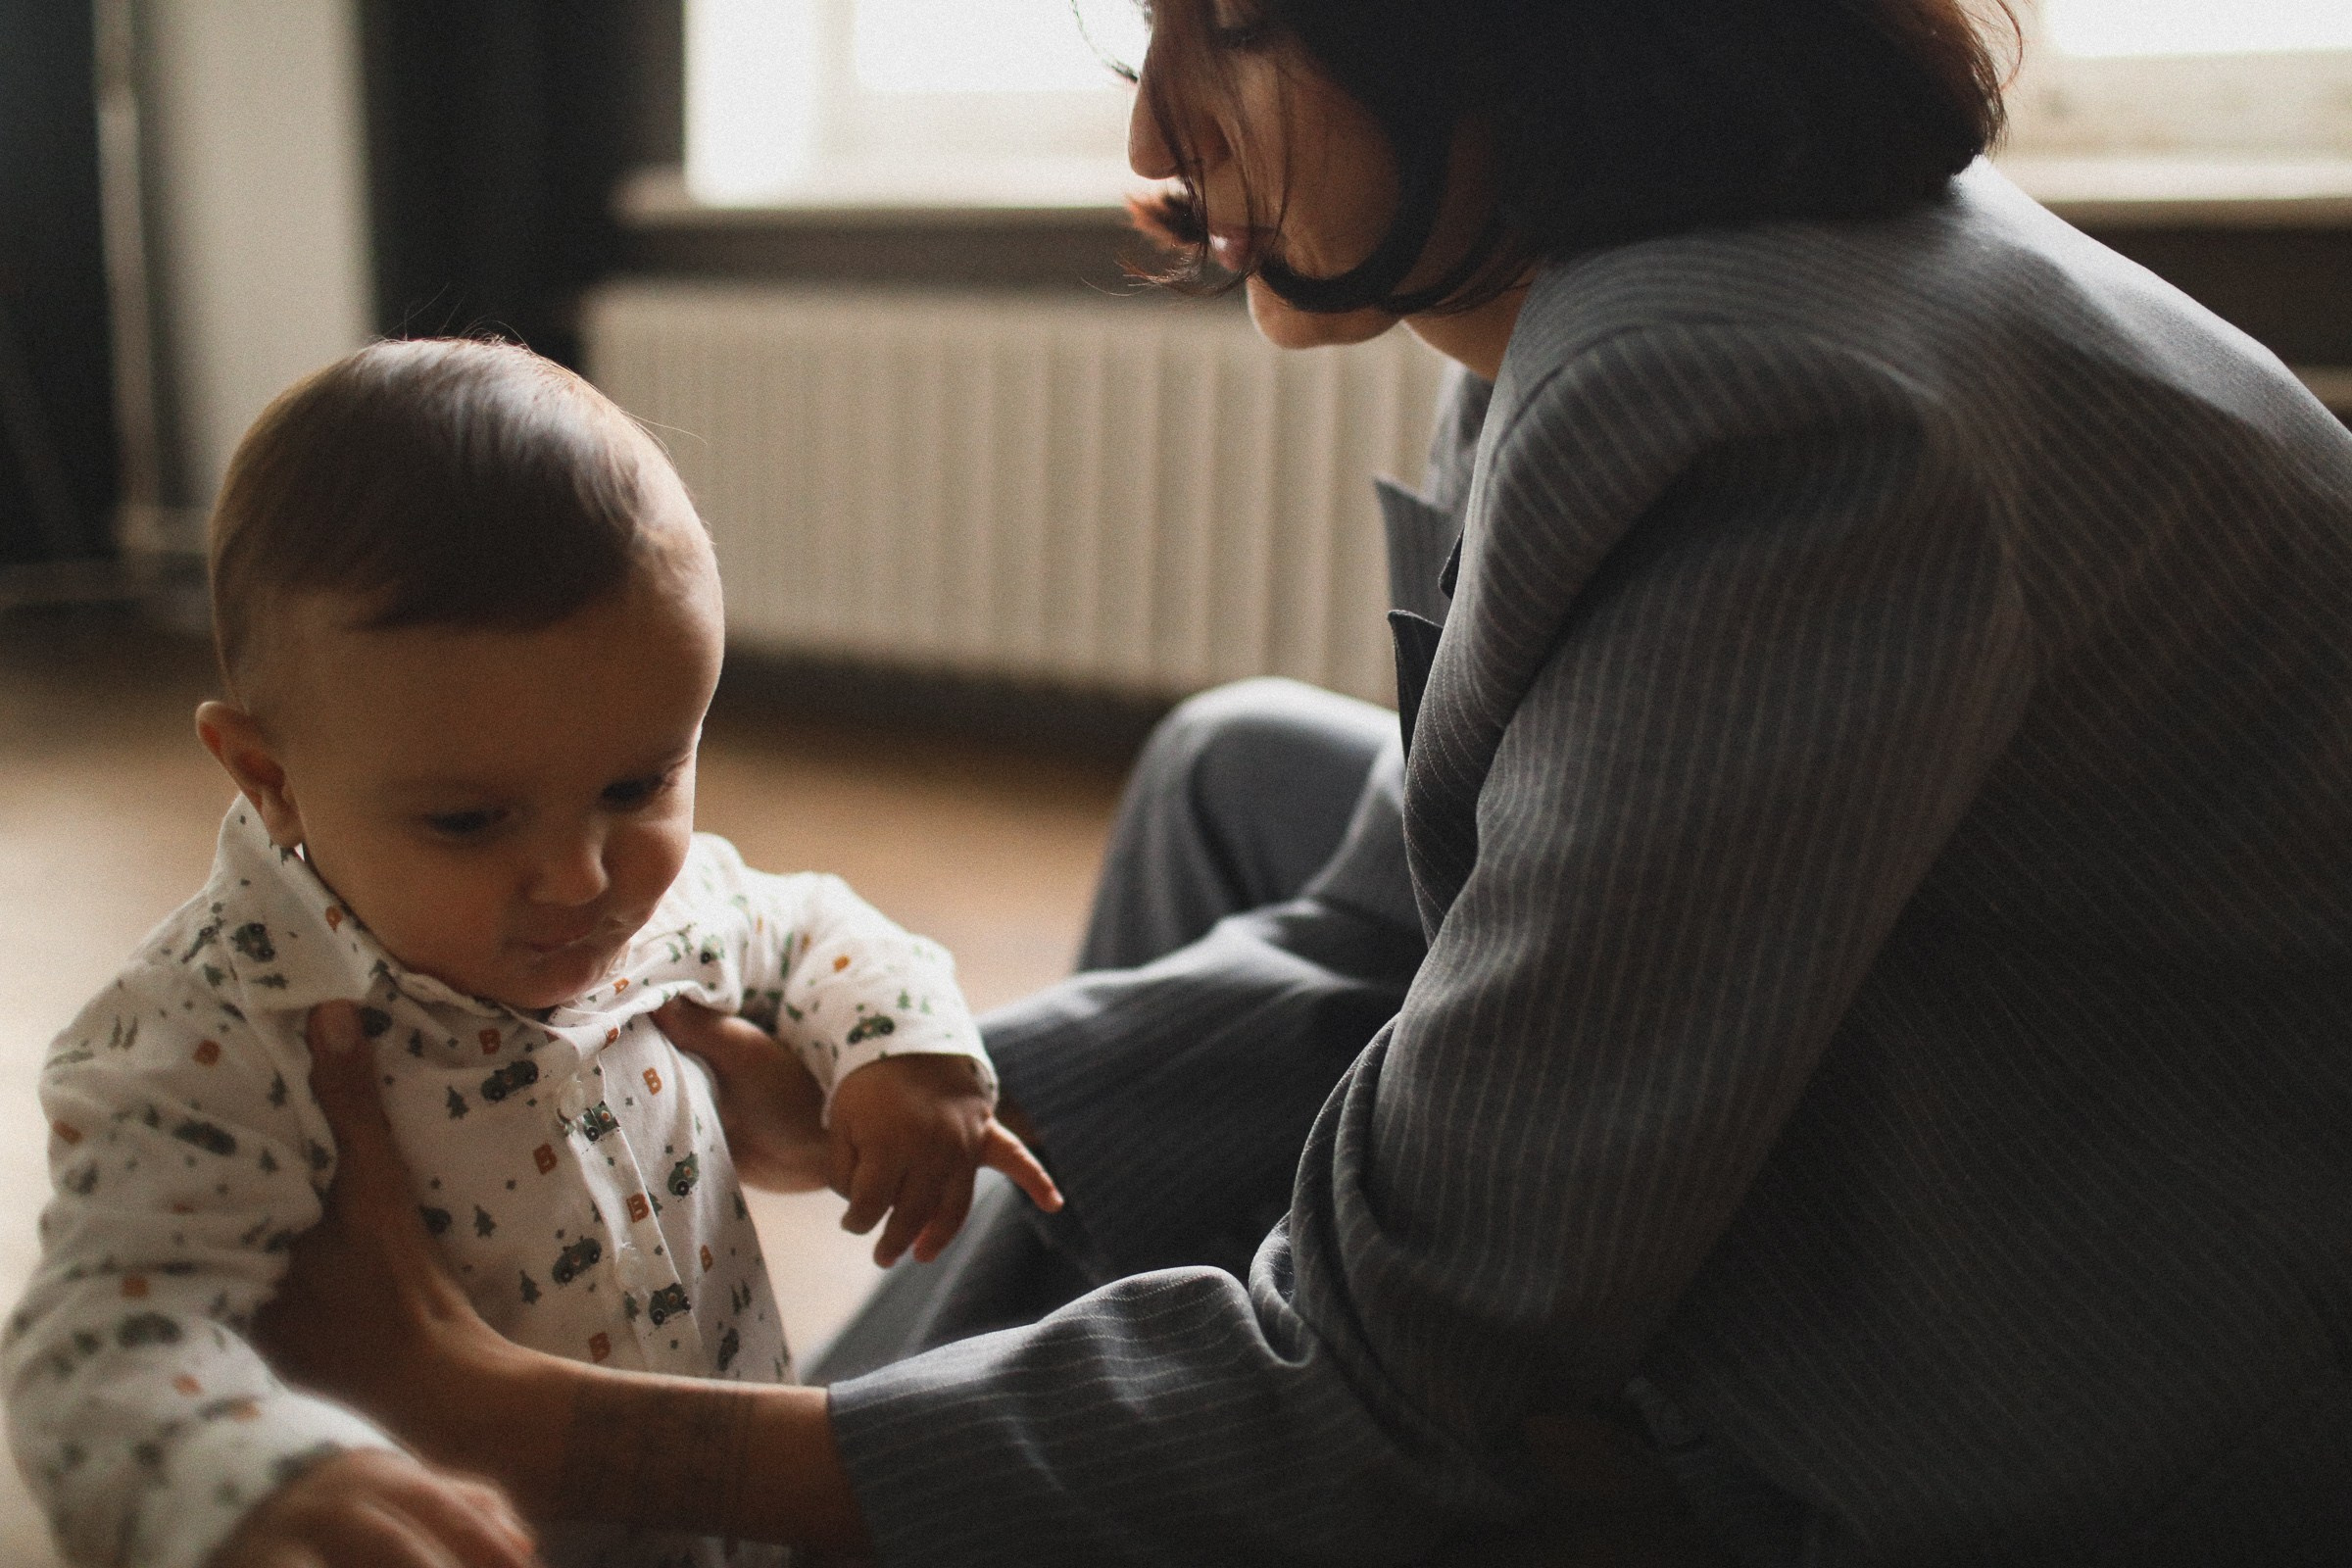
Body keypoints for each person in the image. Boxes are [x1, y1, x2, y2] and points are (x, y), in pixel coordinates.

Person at [236, 0, 2352, 1561]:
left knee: (1345, 1390)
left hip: (2131, 1346)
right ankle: (872, 1450)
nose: (1161, 127)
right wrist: (917, 1068)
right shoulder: (1649, 257)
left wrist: (536, 1421)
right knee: (1232, 774)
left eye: (1232, 34)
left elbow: (1391, 1361)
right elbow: (1380, 932)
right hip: (1993, 1035)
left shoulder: (1778, 409)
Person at [1, 339, 1056, 1568]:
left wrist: (905, 1048)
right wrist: (250, 1475)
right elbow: (105, 1334)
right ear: (270, 776)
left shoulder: (665, 904)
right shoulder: (215, 1035)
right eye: (469, 820)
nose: (583, 878)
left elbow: (821, 928)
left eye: (637, 782)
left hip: (731, 1497)